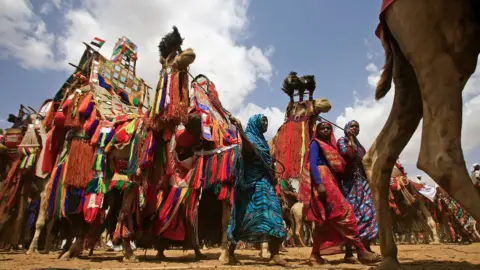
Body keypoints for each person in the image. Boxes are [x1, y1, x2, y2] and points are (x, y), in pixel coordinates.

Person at [300, 121, 381, 266]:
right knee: (346, 211)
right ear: (317, 131)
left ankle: (314, 256)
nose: (325, 130)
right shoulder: (315, 144)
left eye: (328, 128)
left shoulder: (331, 147)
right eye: (322, 128)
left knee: (323, 221)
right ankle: (361, 251)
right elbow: (312, 164)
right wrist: (319, 184)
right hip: (323, 178)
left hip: (331, 179)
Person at [227, 114, 287, 266]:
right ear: (255, 123)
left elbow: (266, 161)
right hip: (250, 186)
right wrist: (240, 129)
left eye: (267, 120)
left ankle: (274, 254)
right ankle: (230, 252)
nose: (266, 123)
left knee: (274, 215)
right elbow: (249, 150)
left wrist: (272, 176)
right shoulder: (249, 138)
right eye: (263, 121)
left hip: (265, 184)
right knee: (243, 218)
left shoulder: (263, 142)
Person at [337, 120, 378, 261]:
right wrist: (349, 139)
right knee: (352, 216)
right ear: (347, 128)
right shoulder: (342, 141)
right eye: (352, 126)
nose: (355, 128)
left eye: (357, 126)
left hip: (363, 182)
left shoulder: (360, 145)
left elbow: (365, 163)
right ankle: (349, 252)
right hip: (349, 183)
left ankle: (365, 247)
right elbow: (349, 155)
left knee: (368, 212)